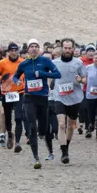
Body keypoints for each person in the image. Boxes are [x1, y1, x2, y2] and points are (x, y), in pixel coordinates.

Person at [13, 39, 61, 169]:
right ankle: (36, 157)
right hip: (29, 98)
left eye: (35, 46)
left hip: (43, 98)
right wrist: (17, 81)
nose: (33, 49)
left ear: (38, 49)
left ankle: (50, 150)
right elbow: (15, 76)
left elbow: (58, 74)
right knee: (32, 126)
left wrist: (43, 73)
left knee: (44, 128)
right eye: (31, 47)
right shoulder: (24, 64)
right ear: (28, 49)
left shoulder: (45, 61)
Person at [53, 38, 87, 165]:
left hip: (75, 97)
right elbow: (50, 78)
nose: (67, 50)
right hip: (59, 97)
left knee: (71, 125)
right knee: (61, 124)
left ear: (73, 49)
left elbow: (85, 80)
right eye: (65, 48)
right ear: (61, 48)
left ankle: (66, 146)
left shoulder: (78, 63)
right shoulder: (54, 63)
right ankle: (64, 153)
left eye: (69, 48)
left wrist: (80, 80)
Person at [0, 42, 25, 152]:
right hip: (7, 93)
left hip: (19, 92)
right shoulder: (2, 63)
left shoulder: (23, 62)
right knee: (7, 117)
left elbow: (28, 75)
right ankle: (10, 133)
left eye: (16, 50)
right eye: (12, 50)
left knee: (19, 117)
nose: (14, 53)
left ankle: (18, 142)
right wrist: (2, 77)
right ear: (8, 52)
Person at [83, 49, 97, 142]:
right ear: (93, 59)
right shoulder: (88, 67)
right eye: (95, 58)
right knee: (91, 113)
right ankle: (91, 123)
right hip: (90, 93)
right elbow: (83, 78)